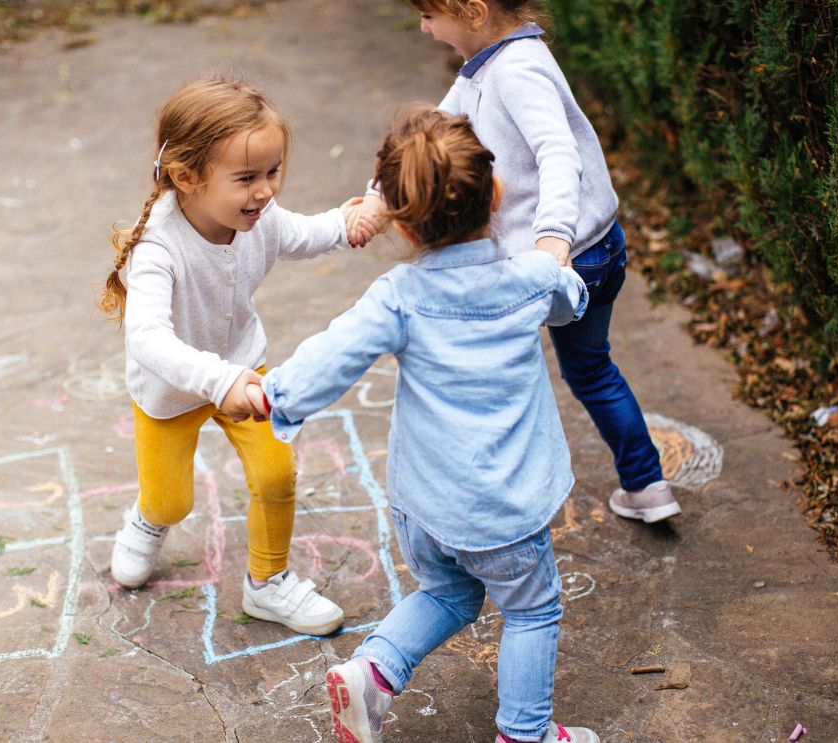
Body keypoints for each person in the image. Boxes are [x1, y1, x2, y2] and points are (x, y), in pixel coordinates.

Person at [257, 108, 599, 743]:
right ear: (496, 194)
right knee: (531, 608)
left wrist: (276, 395)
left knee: (448, 593)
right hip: (506, 508)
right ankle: (524, 735)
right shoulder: (528, 280)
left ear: (402, 222)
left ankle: (374, 673)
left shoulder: (400, 295)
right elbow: (570, 299)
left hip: (425, 504)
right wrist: (558, 262)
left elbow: (334, 355)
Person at [350, 0, 680, 523]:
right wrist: (375, 196)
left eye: (431, 16)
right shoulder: (489, 63)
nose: (423, 27)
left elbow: (558, 152)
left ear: (474, 11)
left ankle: (498, 499)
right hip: (596, 246)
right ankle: (647, 486)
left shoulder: (517, 70)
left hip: (565, 259)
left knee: (499, 373)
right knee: (592, 370)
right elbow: (430, 133)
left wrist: (553, 238)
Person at [99, 76, 372, 635]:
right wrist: (218, 381)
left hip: (246, 371)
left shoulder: (260, 217)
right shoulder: (158, 247)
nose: (266, 191)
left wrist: (349, 223)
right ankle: (149, 521)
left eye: (272, 172)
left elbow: (305, 232)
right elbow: (147, 338)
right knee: (172, 501)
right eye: (246, 178)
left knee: (277, 475)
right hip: (172, 391)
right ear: (186, 177)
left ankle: (267, 584)